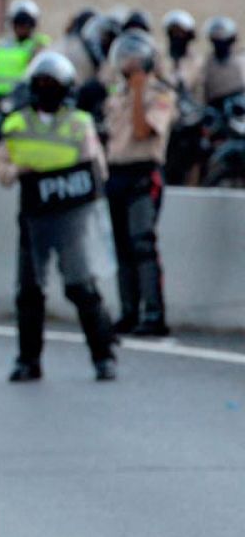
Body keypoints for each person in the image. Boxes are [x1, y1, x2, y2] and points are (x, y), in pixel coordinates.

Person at [0, 52, 117, 382]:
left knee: (80, 286)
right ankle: (28, 360)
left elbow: (96, 167)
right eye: (41, 84)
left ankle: (104, 356)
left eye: (52, 85)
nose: (46, 90)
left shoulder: (79, 124)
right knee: (29, 290)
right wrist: (17, 170)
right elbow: (0, 167)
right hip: (33, 216)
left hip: (71, 217)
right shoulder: (16, 124)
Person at [102, 33, 175, 338]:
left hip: (144, 174)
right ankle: (128, 311)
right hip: (116, 174)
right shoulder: (115, 95)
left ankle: (154, 314)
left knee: (142, 243)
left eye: (134, 58)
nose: (128, 64)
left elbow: (144, 131)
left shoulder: (159, 95)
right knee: (121, 247)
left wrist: (138, 91)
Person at [0, 0, 52, 105]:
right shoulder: (2, 45)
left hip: (23, 98)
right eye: (19, 22)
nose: (23, 27)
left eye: (27, 22)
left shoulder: (38, 44)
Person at [192, 16, 245, 109]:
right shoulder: (208, 63)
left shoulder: (240, 60)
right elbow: (201, 90)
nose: (220, 43)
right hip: (215, 109)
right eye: (216, 40)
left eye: (223, 39)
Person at [162, 9, 203, 99]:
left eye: (180, 33)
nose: (176, 37)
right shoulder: (159, 60)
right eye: (173, 32)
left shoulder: (197, 63)